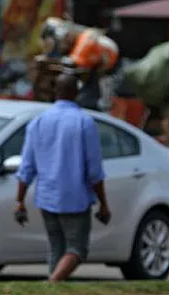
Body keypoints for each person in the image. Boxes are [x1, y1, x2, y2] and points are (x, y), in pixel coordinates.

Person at [14, 73, 109, 283]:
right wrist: (103, 203)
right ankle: (53, 283)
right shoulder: (84, 122)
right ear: (76, 93)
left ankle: (54, 286)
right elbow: (94, 170)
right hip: (75, 198)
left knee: (56, 246)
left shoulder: (38, 122)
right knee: (77, 248)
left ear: (55, 92)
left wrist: (19, 201)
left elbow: (26, 167)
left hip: (47, 197)